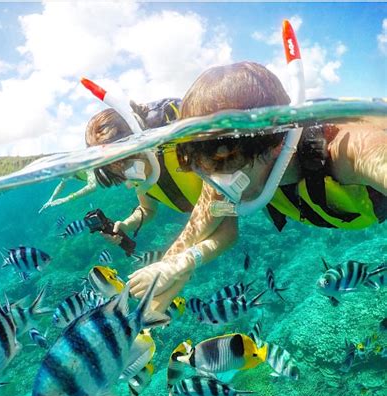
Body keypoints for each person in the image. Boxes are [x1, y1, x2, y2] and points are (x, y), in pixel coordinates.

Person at [127, 62, 386, 310]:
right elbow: (196, 234)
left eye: (227, 178)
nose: (220, 192)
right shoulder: (225, 168)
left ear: (274, 146)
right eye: (206, 175)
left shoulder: (348, 151)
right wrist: (166, 280)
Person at [41, 98, 203, 242]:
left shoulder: (184, 147)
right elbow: (148, 209)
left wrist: (180, 260)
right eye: (120, 175)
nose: (130, 183)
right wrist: (126, 225)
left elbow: (217, 210)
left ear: (141, 147)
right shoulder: (139, 169)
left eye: (130, 168)